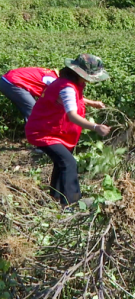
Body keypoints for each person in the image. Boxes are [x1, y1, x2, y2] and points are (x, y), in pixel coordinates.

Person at [25, 54, 111, 207]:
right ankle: (72, 203)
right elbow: (72, 116)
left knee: (62, 162)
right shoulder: (67, 87)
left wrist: (92, 103)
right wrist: (95, 127)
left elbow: (71, 98)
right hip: (44, 133)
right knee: (69, 163)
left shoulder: (68, 84)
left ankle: (55, 197)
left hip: (51, 131)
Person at [0, 67, 106, 123]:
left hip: (9, 80)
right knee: (34, 111)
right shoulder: (55, 81)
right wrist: (92, 103)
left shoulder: (56, 77)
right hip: (11, 83)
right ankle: (39, 144)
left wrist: (92, 103)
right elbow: (68, 99)